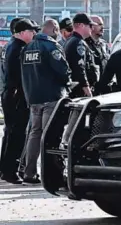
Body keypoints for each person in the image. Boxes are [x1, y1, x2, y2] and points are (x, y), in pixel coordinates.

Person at [20, 19, 71, 184]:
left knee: (34, 134)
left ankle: (29, 172)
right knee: (51, 136)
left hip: (33, 98)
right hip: (51, 97)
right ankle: (52, 175)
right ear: (55, 29)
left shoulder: (27, 48)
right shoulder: (52, 46)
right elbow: (63, 71)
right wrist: (68, 82)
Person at [0, 19, 38, 184]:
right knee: (17, 134)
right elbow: (16, 76)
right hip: (16, 95)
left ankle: (5, 168)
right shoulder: (18, 48)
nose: (34, 34)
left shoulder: (11, 45)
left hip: (11, 94)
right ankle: (10, 171)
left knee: (10, 133)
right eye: (31, 31)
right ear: (22, 32)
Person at [64, 13, 98, 98]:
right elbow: (79, 68)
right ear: (81, 25)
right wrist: (87, 90)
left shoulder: (70, 41)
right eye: (90, 25)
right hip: (79, 91)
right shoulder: (78, 43)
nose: (92, 28)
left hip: (74, 89)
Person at [85, 15, 110, 91]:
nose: (102, 27)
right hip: (93, 88)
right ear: (91, 26)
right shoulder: (85, 44)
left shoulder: (104, 44)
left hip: (105, 87)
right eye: (99, 25)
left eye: (102, 25)